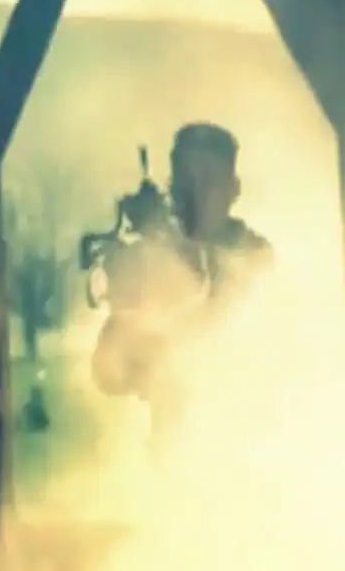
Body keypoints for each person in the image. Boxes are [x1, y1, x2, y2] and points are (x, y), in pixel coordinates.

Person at [90, 122, 272, 451]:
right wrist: (126, 270)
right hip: (177, 453)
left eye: (206, 183)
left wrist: (164, 242)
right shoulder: (153, 254)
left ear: (233, 189)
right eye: (184, 183)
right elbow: (109, 373)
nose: (192, 196)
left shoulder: (254, 255)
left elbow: (219, 317)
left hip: (247, 446)